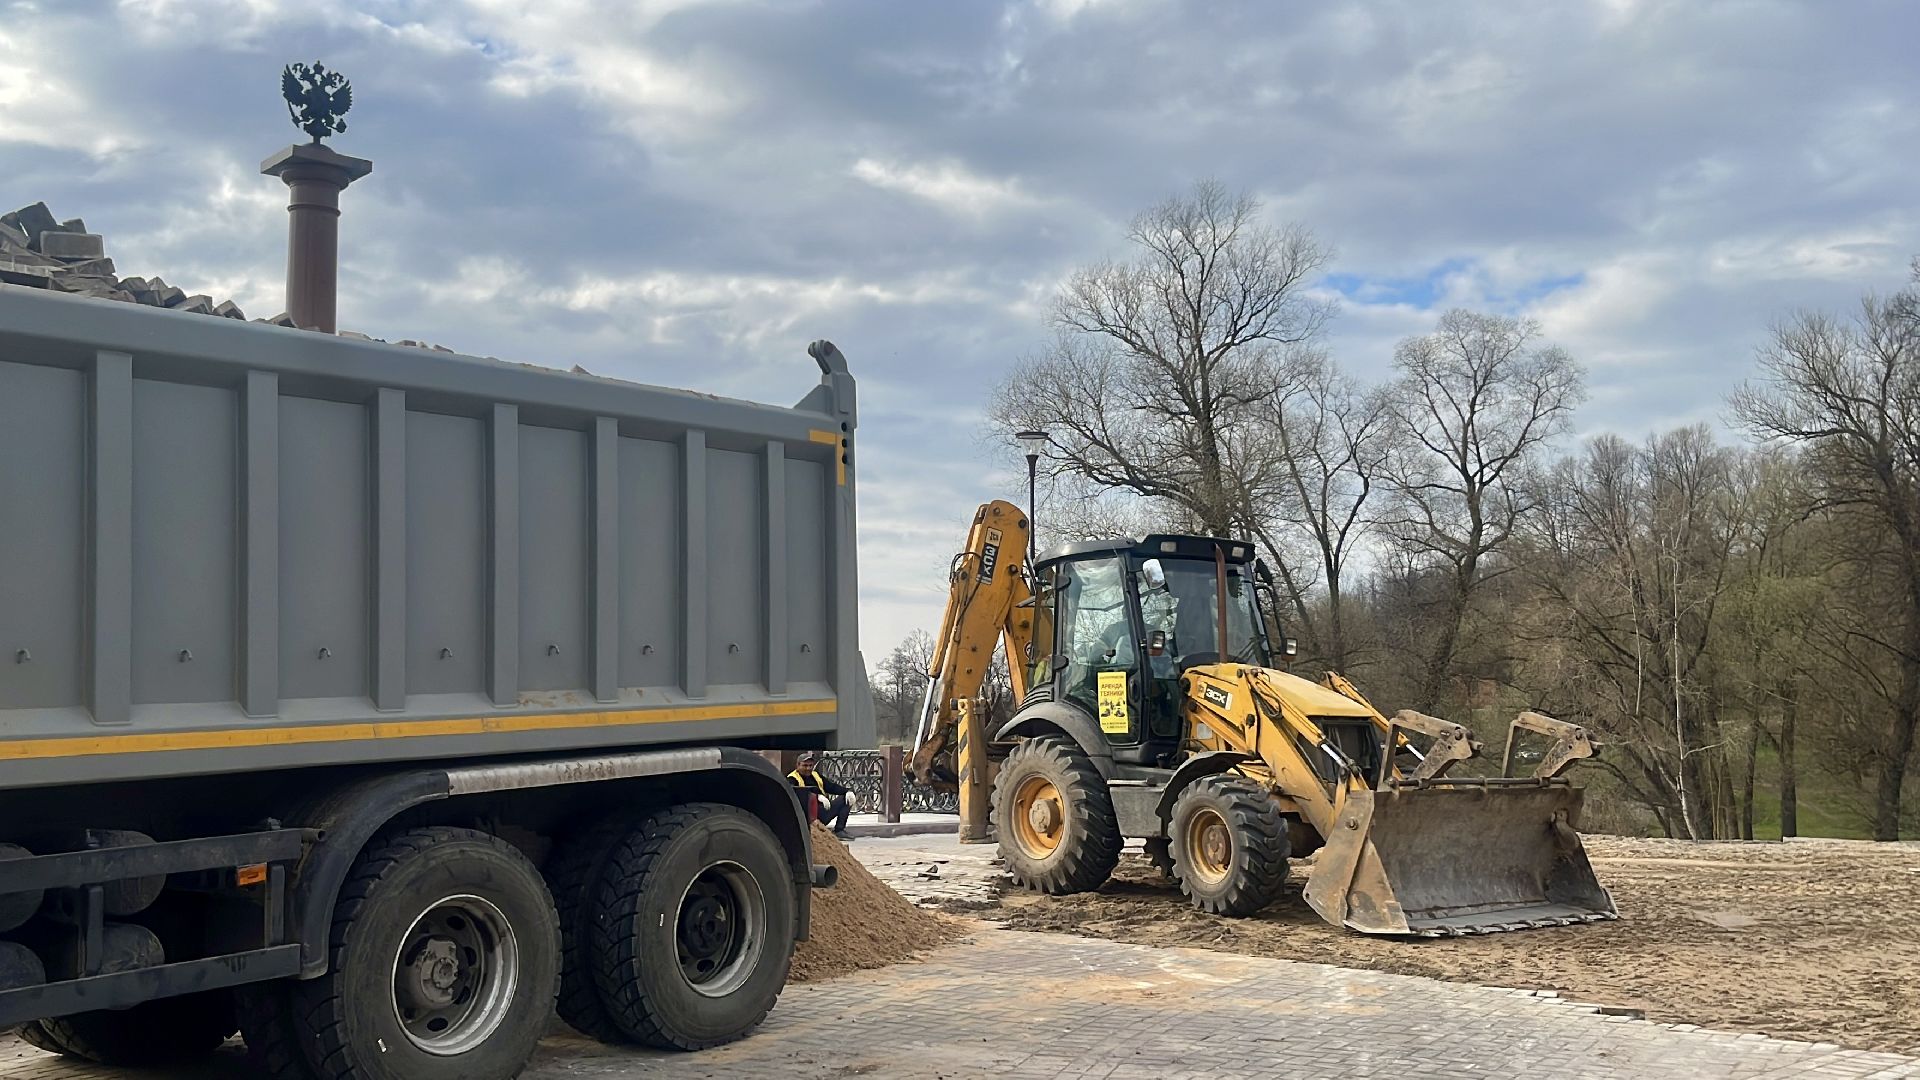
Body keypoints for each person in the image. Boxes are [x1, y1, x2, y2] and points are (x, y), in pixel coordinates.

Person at [787, 752, 853, 839]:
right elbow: (795, 792)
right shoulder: (792, 778)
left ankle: (839, 830)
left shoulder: (816, 775)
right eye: (805, 765)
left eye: (810, 766)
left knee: (846, 799)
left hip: (824, 811)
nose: (808, 768)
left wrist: (847, 791)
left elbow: (831, 786)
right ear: (798, 765)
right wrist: (816, 796)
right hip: (807, 815)